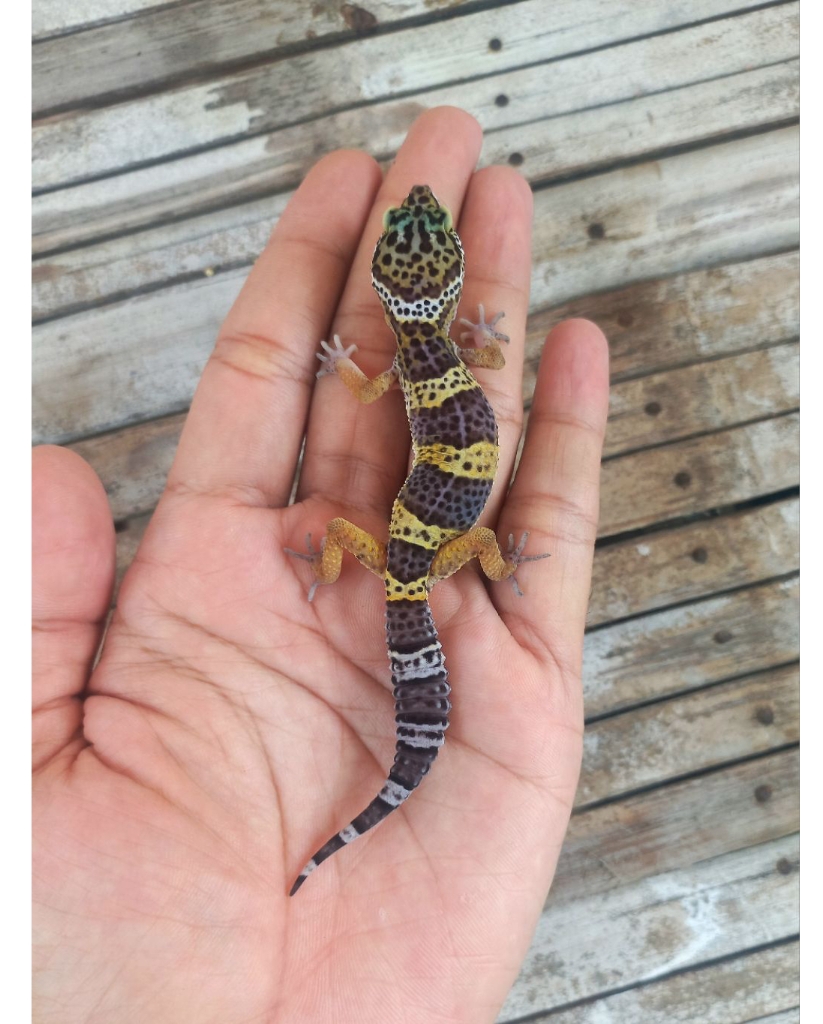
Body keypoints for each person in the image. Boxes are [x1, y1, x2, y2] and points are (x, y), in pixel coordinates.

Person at [32, 107, 609, 1022]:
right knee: (466, 554)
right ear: (445, 282)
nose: (419, 212)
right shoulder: (447, 348)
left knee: (382, 550)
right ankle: (417, 676)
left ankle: (355, 604)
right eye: (418, 227)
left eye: (421, 227)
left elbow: (369, 384)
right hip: (442, 537)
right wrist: (482, 353)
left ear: (391, 284)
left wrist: (342, 366)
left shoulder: (410, 359)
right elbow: (476, 355)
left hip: (423, 541)